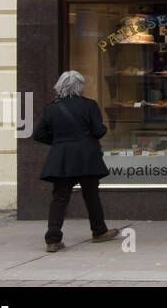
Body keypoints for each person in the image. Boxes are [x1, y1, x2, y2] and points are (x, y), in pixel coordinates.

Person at [33, 70, 120, 253]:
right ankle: (99, 231)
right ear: (80, 87)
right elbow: (98, 131)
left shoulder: (51, 108)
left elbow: (39, 134)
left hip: (62, 158)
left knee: (59, 198)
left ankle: (53, 239)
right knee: (91, 196)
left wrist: (59, 143)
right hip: (86, 156)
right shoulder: (89, 105)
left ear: (60, 86)